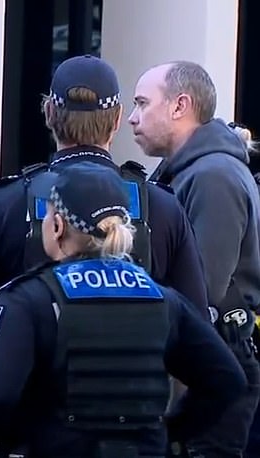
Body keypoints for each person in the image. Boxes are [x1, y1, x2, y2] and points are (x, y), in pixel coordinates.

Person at [0, 54, 209, 411]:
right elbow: (199, 344)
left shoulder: (8, 203)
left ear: (49, 115)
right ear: (117, 118)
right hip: (135, 436)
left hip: (33, 436)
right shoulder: (162, 208)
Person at [0, 162, 247, 458]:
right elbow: (226, 380)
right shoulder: (162, 299)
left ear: (58, 226)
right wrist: (169, 436)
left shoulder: (30, 300)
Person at [129, 60, 260, 457]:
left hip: (215, 368)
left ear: (179, 105)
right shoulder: (190, 171)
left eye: (141, 104)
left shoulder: (212, 176)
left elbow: (201, 293)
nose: (132, 119)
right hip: (203, 366)